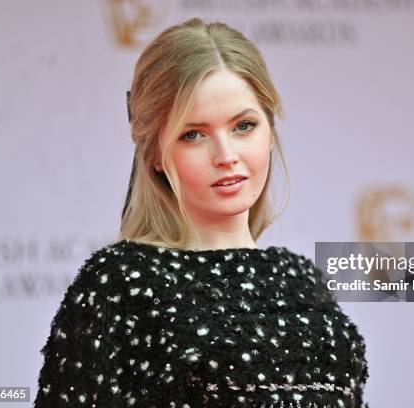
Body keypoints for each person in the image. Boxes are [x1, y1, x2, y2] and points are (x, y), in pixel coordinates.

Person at [34, 17, 370, 408]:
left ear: (270, 129)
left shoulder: (301, 277)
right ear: (156, 153)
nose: (226, 156)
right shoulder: (120, 283)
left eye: (244, 126)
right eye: (193, 134)